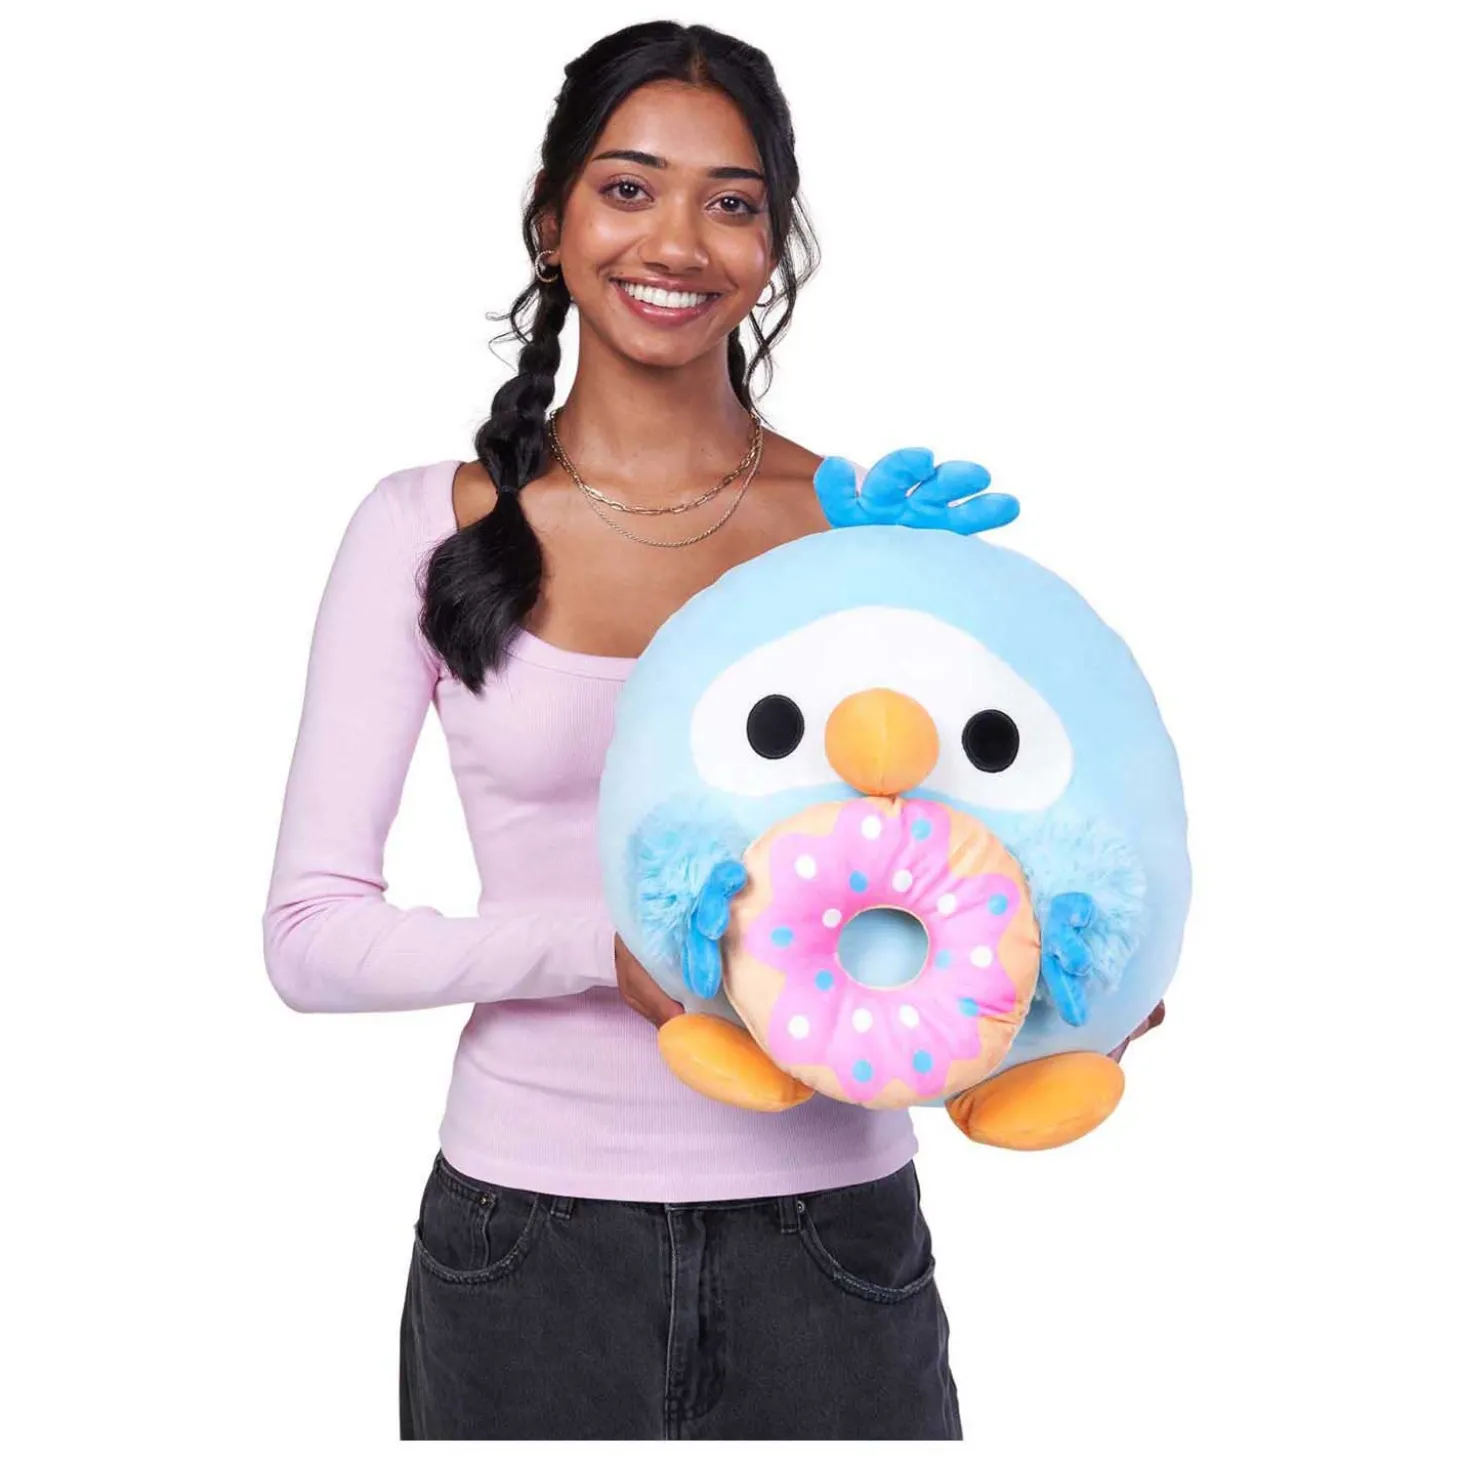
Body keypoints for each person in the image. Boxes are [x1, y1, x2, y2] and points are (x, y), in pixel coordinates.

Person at [261, 20, 1160, 1441]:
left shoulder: (861, 538)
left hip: (832, 1236)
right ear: (551, 219)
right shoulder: (424, 529)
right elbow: (310, 937)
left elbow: (975, 846)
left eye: (730, 202)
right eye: (628, 188)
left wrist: (1074, 980)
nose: (675, 241)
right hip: (524, 1241)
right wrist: (603, 949)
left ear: (773, 244)